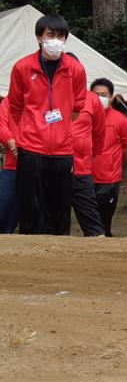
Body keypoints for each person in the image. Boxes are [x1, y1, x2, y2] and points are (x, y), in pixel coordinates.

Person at [7, 14, 87, 235]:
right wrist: (27, 131)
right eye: (50, 35)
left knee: (60, 210)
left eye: (60, 36)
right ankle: (30, 260)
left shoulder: (76, 69)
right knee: (30, 209)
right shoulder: (22, 67)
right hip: (31, 149)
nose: (55, 40)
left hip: (62, 151)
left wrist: (61, 130)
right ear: (39, 38)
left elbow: (78, 107)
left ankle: (60, 258)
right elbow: (14, 107)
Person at [91, 78, 127, 237]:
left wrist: (115, 164)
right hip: (84, 178)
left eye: (103, 95)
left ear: (111, 97)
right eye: (95, 95)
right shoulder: (82, 117)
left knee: (104, 222)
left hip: (108, 180)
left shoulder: (121, 121)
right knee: (88, 221)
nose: (99, 98)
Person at [67, 53, 107, 237]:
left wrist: (89, 154)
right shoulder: (47, 96)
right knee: (54, 216)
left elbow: (99, 132)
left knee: (90, 218)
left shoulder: (91, 99)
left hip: (82, 169)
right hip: (53, 166)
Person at [0, 97, 20, 233]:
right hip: (12, 166)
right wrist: (10, 141)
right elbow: (2, 125)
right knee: (4, 208)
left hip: (42, 166)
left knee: (40, 216)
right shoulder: (8, 101)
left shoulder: (48, 100)